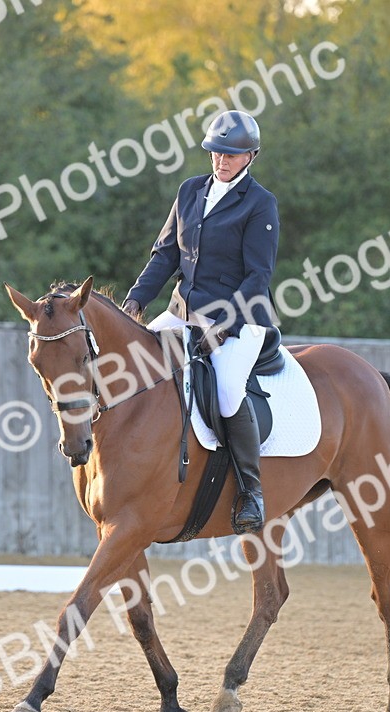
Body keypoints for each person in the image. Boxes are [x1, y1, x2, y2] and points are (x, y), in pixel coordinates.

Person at [122, 109, 279, 536]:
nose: (222, 161)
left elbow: (257, 277)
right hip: (181, 312)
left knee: (227, 390)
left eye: (232, 155)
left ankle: (251, 491)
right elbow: (166, 256)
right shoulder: (190, 191)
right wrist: (136, 300)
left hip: (240, 320)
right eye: (216, 153)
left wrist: (223, 327)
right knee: (130, 367)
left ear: (250, 156)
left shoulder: (260, 203)